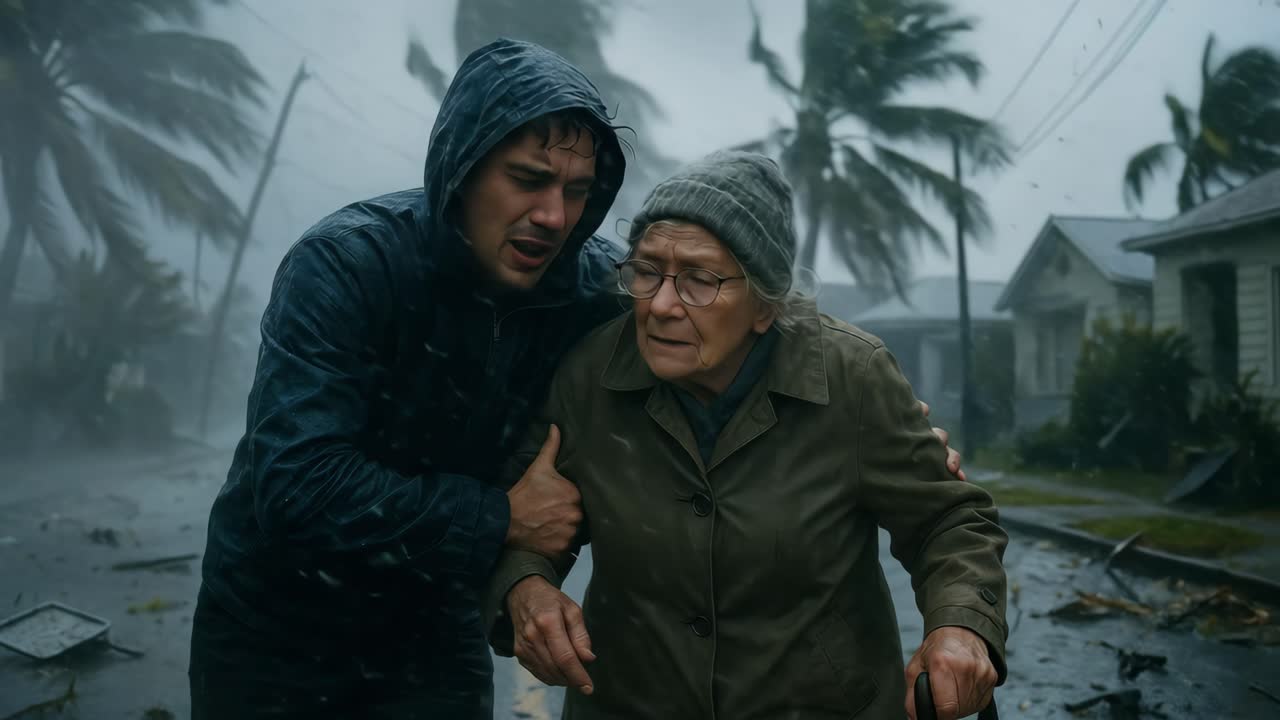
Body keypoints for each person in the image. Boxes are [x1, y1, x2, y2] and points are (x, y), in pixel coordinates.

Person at [189, 37, 965, 719]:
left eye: (577, 192)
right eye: (527, 179)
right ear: (461, 169)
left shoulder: (598, 289)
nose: (553, 216)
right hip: (278, 623)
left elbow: (726, 336)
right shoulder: (348, 267)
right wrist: (497, 517)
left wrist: (882, 432)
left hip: (435, 614)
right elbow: (296, 485)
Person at [484, 151, 1008, 720]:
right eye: (647, 271)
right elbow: (527, 517)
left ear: (765, 305)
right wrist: (526, 587)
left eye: (699, 281)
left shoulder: (850, 376)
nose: (661, 305)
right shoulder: (591, 375)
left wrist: (960, 626)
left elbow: (947, 521)